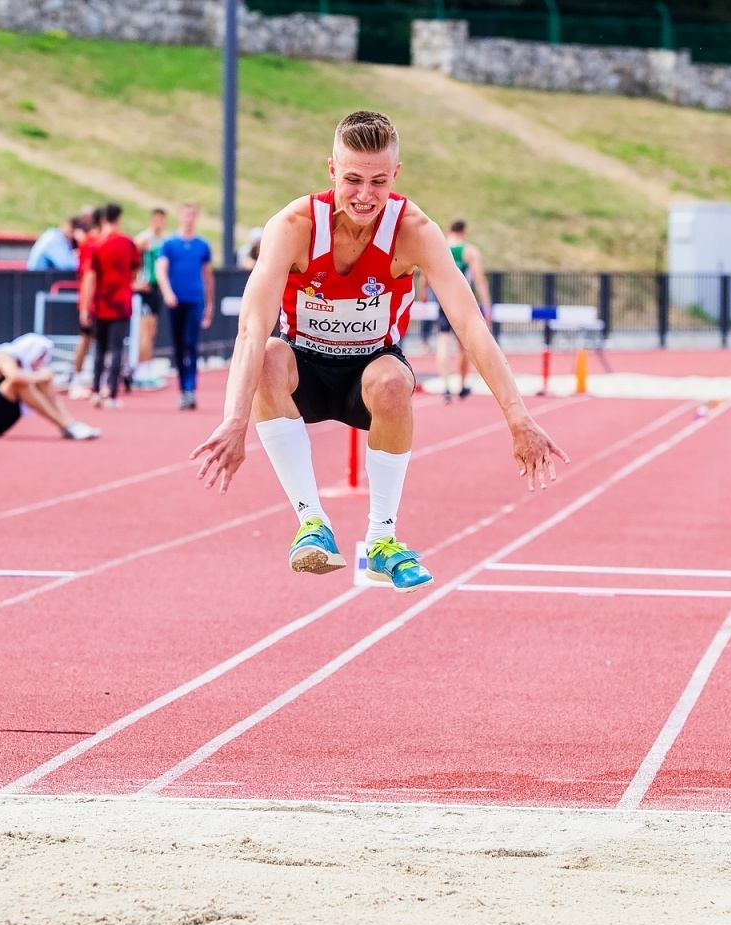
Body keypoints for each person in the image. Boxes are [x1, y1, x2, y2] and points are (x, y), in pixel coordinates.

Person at [190, 111, 566, 592]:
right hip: (302, 365)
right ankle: (312, 524)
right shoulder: (293, 226)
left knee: (392, 381)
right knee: (266, 354)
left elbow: (470, 323)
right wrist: (234, 419)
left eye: (378, 181)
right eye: (352, 180)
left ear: (396, 175)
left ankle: (382, 542)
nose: (365, 195)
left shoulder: (415, 231)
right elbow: (251, 326)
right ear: (331, 171)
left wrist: (518, 417)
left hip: (370, 368)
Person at [0, 333, 101, 440]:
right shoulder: (4, 356)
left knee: (41, 380)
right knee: (19, 382)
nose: (40, 362)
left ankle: (70, 423)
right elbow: (14, 376)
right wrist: (40, 376)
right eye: (39, 357)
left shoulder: (21, 363)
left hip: (2, 418)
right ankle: (65, 425)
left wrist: (42, 378)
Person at [79, 203, 140, 409]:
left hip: (100, 302)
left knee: (99, 348)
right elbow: (133, 273)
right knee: (116, 348)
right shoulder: (128, 243)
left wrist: (85, 307)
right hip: (121, 303)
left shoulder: (96, 245)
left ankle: (96, 390)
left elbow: (90, 277)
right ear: (119, 219)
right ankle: (112, 394)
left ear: (103, 219)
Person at [156, 202, 214, 410]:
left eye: (192, 215)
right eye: (186, 214)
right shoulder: (170, 243)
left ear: (195, 218)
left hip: (194, 300)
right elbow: (161, 269)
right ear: (181, 217)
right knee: (179, 346)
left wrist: (210, 305)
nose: (189, 218)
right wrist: (168, 292)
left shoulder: (202, 245)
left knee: (191, 343)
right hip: (175, 301)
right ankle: (183, 389)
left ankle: (190, 389)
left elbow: (208, 277)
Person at [430, 219, 490, 400]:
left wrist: (425, 294)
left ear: (449, 230)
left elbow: (427, 274)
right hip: (462, 300)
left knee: (443, 341)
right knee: (464, 345)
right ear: (463, 231)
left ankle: (446, 386)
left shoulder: (438, 248)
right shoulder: (469, 251)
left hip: (442, 298)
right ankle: (462, 385)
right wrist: (486, 306)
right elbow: (479, 279)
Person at [67, 208, 101, 400]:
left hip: (98, 299)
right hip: (92, 298)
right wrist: (86, 306)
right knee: (86, 338)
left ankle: (86, 377)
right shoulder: (91, 242)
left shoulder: (90, 241)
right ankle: (77, 378)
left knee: (94, 340)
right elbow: (88, 274)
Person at [134, 208, 167, 378]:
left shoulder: (161, 241)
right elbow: (130, 260)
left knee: (152, 331)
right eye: (158, 220)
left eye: (163, 220)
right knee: (144, 331)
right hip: (144, 289)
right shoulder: (143, 239)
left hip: (156, 288)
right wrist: (134, 283)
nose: (161, 223)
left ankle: (147, 368)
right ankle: (140, 370)